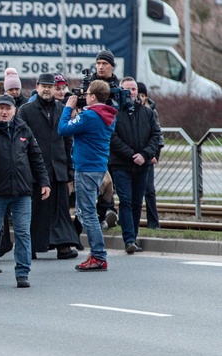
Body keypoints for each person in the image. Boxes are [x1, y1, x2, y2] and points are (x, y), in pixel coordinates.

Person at [0, 95, 50, 288]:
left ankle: (22, 272)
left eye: (7, 108)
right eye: (0, 108)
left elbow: (36, 157)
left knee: (23, 233)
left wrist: (44, 182)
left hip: (22, 191)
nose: (3, 112)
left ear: (14, 110)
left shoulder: (23, 128)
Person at [17, 74, 81, 259]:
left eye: (50, 86)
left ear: (55, 88)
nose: (47, 89)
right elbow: (21, 143)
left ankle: (63, 246)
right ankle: (33, 246)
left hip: (58, 168)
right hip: (35, 170)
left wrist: (69, 171)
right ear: (36, 87)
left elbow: (68, 142)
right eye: (43, 86)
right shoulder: (26, 110)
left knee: (61, 210)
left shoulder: (62, 110)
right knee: (37, 211)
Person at [58, 80, 118, 271]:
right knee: (86, 211)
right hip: (98, 167)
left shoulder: (90, 116)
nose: (84, 96)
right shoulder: (108, 115)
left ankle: (98, 255)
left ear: (93, 96)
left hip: (85, 168)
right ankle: (96, 253)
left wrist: (68, 109)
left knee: (87, 213)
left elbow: (63, 129)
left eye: (87, 94)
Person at [108, 77, 162, 253]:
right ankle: (129, 239)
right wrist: (132, 155)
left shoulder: (147, 113)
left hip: (142, 165)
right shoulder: (114, 113)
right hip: (121, 165)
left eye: (133, 89)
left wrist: (145, 154)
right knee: (125, 201)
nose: (131, 92)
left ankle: (134, 237)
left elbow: (155, 136)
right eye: (127, 89)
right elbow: (113, 139)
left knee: (137, 202)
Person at [137, 82, 162, 229]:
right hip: (135, 155)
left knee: (149, 190)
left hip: (148, 155)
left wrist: (155, 154)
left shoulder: (151, 112)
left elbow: (158, 135)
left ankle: (154, 223)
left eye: (142, 95)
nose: (140, 97)